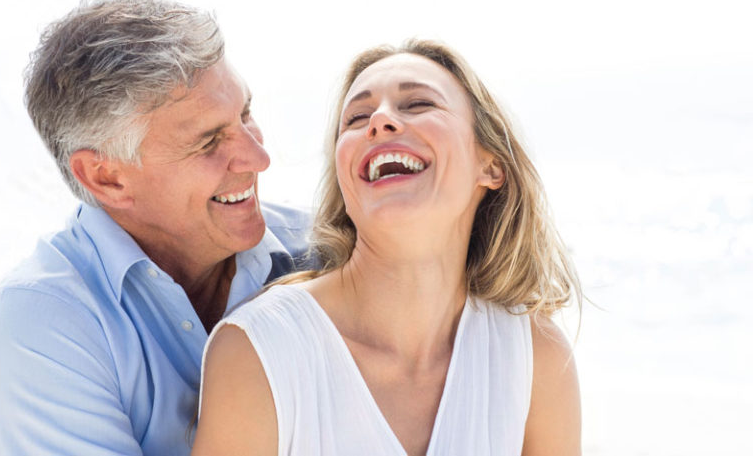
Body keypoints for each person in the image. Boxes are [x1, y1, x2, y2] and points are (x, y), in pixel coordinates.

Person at [192, 40, 582, 456]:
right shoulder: (259, 350)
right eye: (357, 117)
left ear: (491, 166)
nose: (380, 120)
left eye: (417, 104)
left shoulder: (534, 355)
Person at [0, 0, 312, 456]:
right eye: (209, 141)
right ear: (107, 177)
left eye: (245, 114)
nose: (259, 158)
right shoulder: (43, 323)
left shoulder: (334, 251)